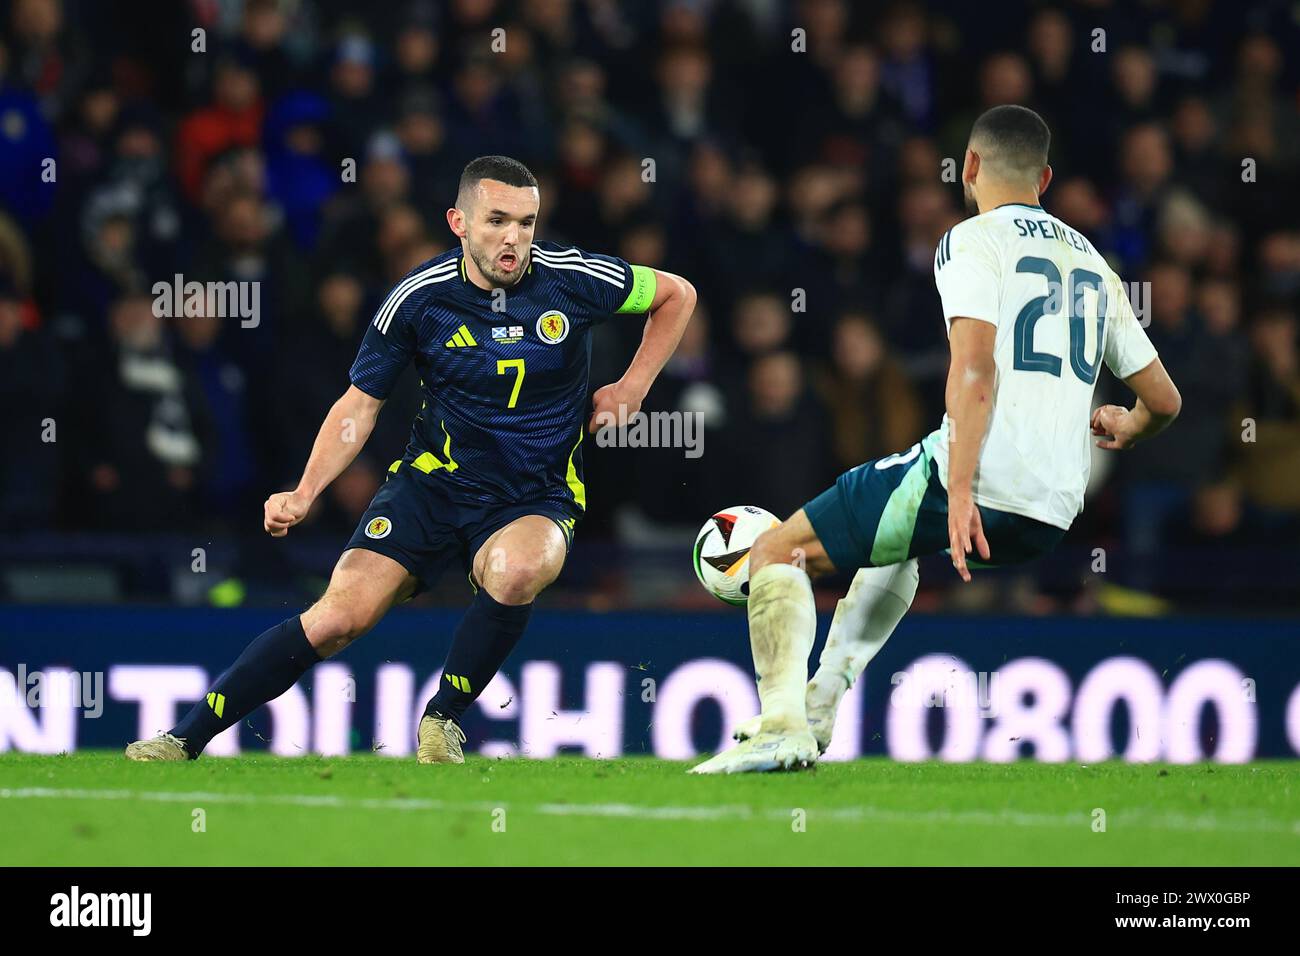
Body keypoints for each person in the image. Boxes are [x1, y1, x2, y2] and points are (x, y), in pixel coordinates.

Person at [126, 155, 697, 764]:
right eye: (497, 220)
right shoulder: (419, 298)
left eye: (527, 223)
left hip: (534, 493)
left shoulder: (573, 276)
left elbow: (676, 294)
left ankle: (442, 721)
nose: (514, 238)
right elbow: (359, 405)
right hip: (431, 488)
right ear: (459, 222)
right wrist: (305, 491)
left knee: (516, 570)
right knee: (337, 619)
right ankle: (182, 739)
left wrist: (632, 387)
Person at [694, 106, 1181, 774]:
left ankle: (782, 726)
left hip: (979, 483)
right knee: (894, 548)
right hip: (1053, 512)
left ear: (971, 168)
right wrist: (1127, 424)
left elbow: (975, 369)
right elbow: (1163, 400)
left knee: (779, 547)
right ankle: (817, 709)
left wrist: (957, 488)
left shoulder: (972, 239)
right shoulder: (1095, 262)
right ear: (1043, 177)